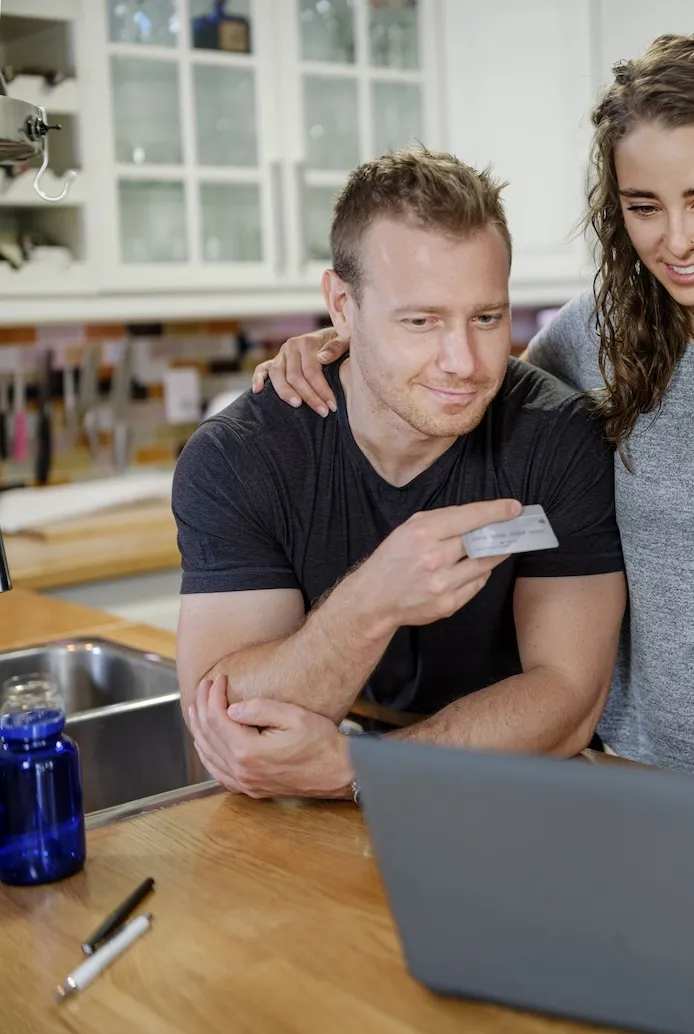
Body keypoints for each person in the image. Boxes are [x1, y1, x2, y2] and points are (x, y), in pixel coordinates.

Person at [250, 34, 694, 786]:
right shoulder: (593, 334)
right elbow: (468, 391)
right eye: (644, 207)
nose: (676, 240)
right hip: (638, 772)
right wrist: (347, 344)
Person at [174, 149, 627, 801]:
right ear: (342, 305)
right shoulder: (242, 458)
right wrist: (373, 600)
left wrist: (366, 767)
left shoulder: (555, 439)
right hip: (300, 810)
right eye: (421, 321)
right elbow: (231, 721)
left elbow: (568, 698)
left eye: (487, 317)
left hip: (512, 791)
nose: (464, 362)